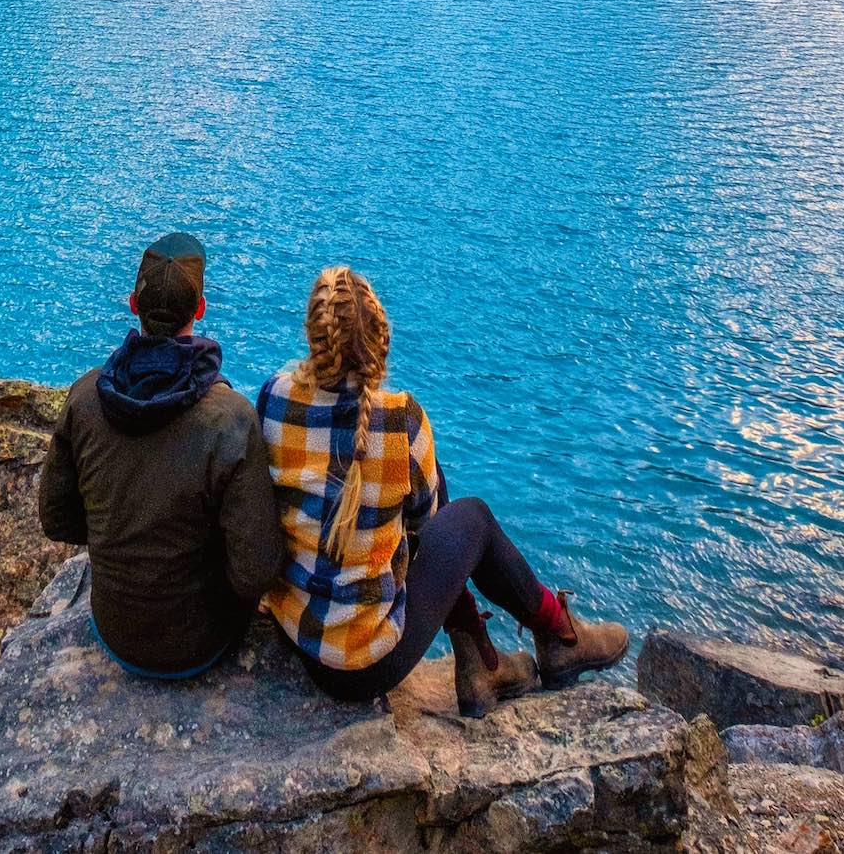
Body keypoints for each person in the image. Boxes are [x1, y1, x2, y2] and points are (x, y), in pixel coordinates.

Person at [256, 264, 629, 718]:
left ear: (314, 337)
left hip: (299, 637)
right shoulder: (401, 419)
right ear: (380, 339)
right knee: (472, 518)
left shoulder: (273, 399)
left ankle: (486, 659)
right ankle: (555, 636)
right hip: (369, 664)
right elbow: (428, 528)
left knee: (436, 495)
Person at [38, 228, 284, 678]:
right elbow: (255, 570)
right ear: (201, 309)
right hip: (201, 641)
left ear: (133, 304)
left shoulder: (85, 397)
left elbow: (58, 519)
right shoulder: (230, 417)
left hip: (114, 628)